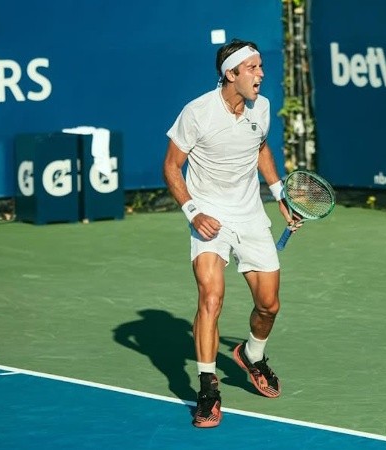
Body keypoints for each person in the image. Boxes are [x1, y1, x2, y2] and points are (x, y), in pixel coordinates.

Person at [162, 39, 296, 428]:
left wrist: (279, 193)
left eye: (260, 66)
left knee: (269, 305)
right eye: (252, 68)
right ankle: (208, 387)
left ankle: (252, 354)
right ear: (231, 74)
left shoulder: (262, 107)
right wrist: (193, 211)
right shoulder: (197, 113)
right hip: (210, 216)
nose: (261, 74)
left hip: (251, 215)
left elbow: (261, 148)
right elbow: (172, 166)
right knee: (211, 295)